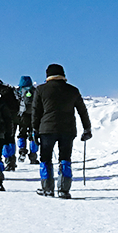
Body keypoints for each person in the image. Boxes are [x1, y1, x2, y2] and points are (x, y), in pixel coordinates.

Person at [31, 63, 93, 199]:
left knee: (45, 158)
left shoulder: (41, 90)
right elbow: (82, 111)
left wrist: (34, 129)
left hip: (46, 129)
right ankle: (64, 190)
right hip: (67, 129)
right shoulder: (73, 90)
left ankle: (47, 189)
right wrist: (87, 128)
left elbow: (36, 112)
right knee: (65, 158)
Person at [0, 78, 22, 170]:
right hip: (14, 118)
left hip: (3, 119)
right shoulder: (10, 91)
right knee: (11, 138)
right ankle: (12, 160)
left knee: (4, 139)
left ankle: (8, 160)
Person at [17, 76, 38, 164]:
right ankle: (33, 155)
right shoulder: (35, 90)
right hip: (34, 115)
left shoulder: (19, 91)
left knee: (22, 134)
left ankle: (22, 151)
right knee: (33, 135)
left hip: (23, 115)